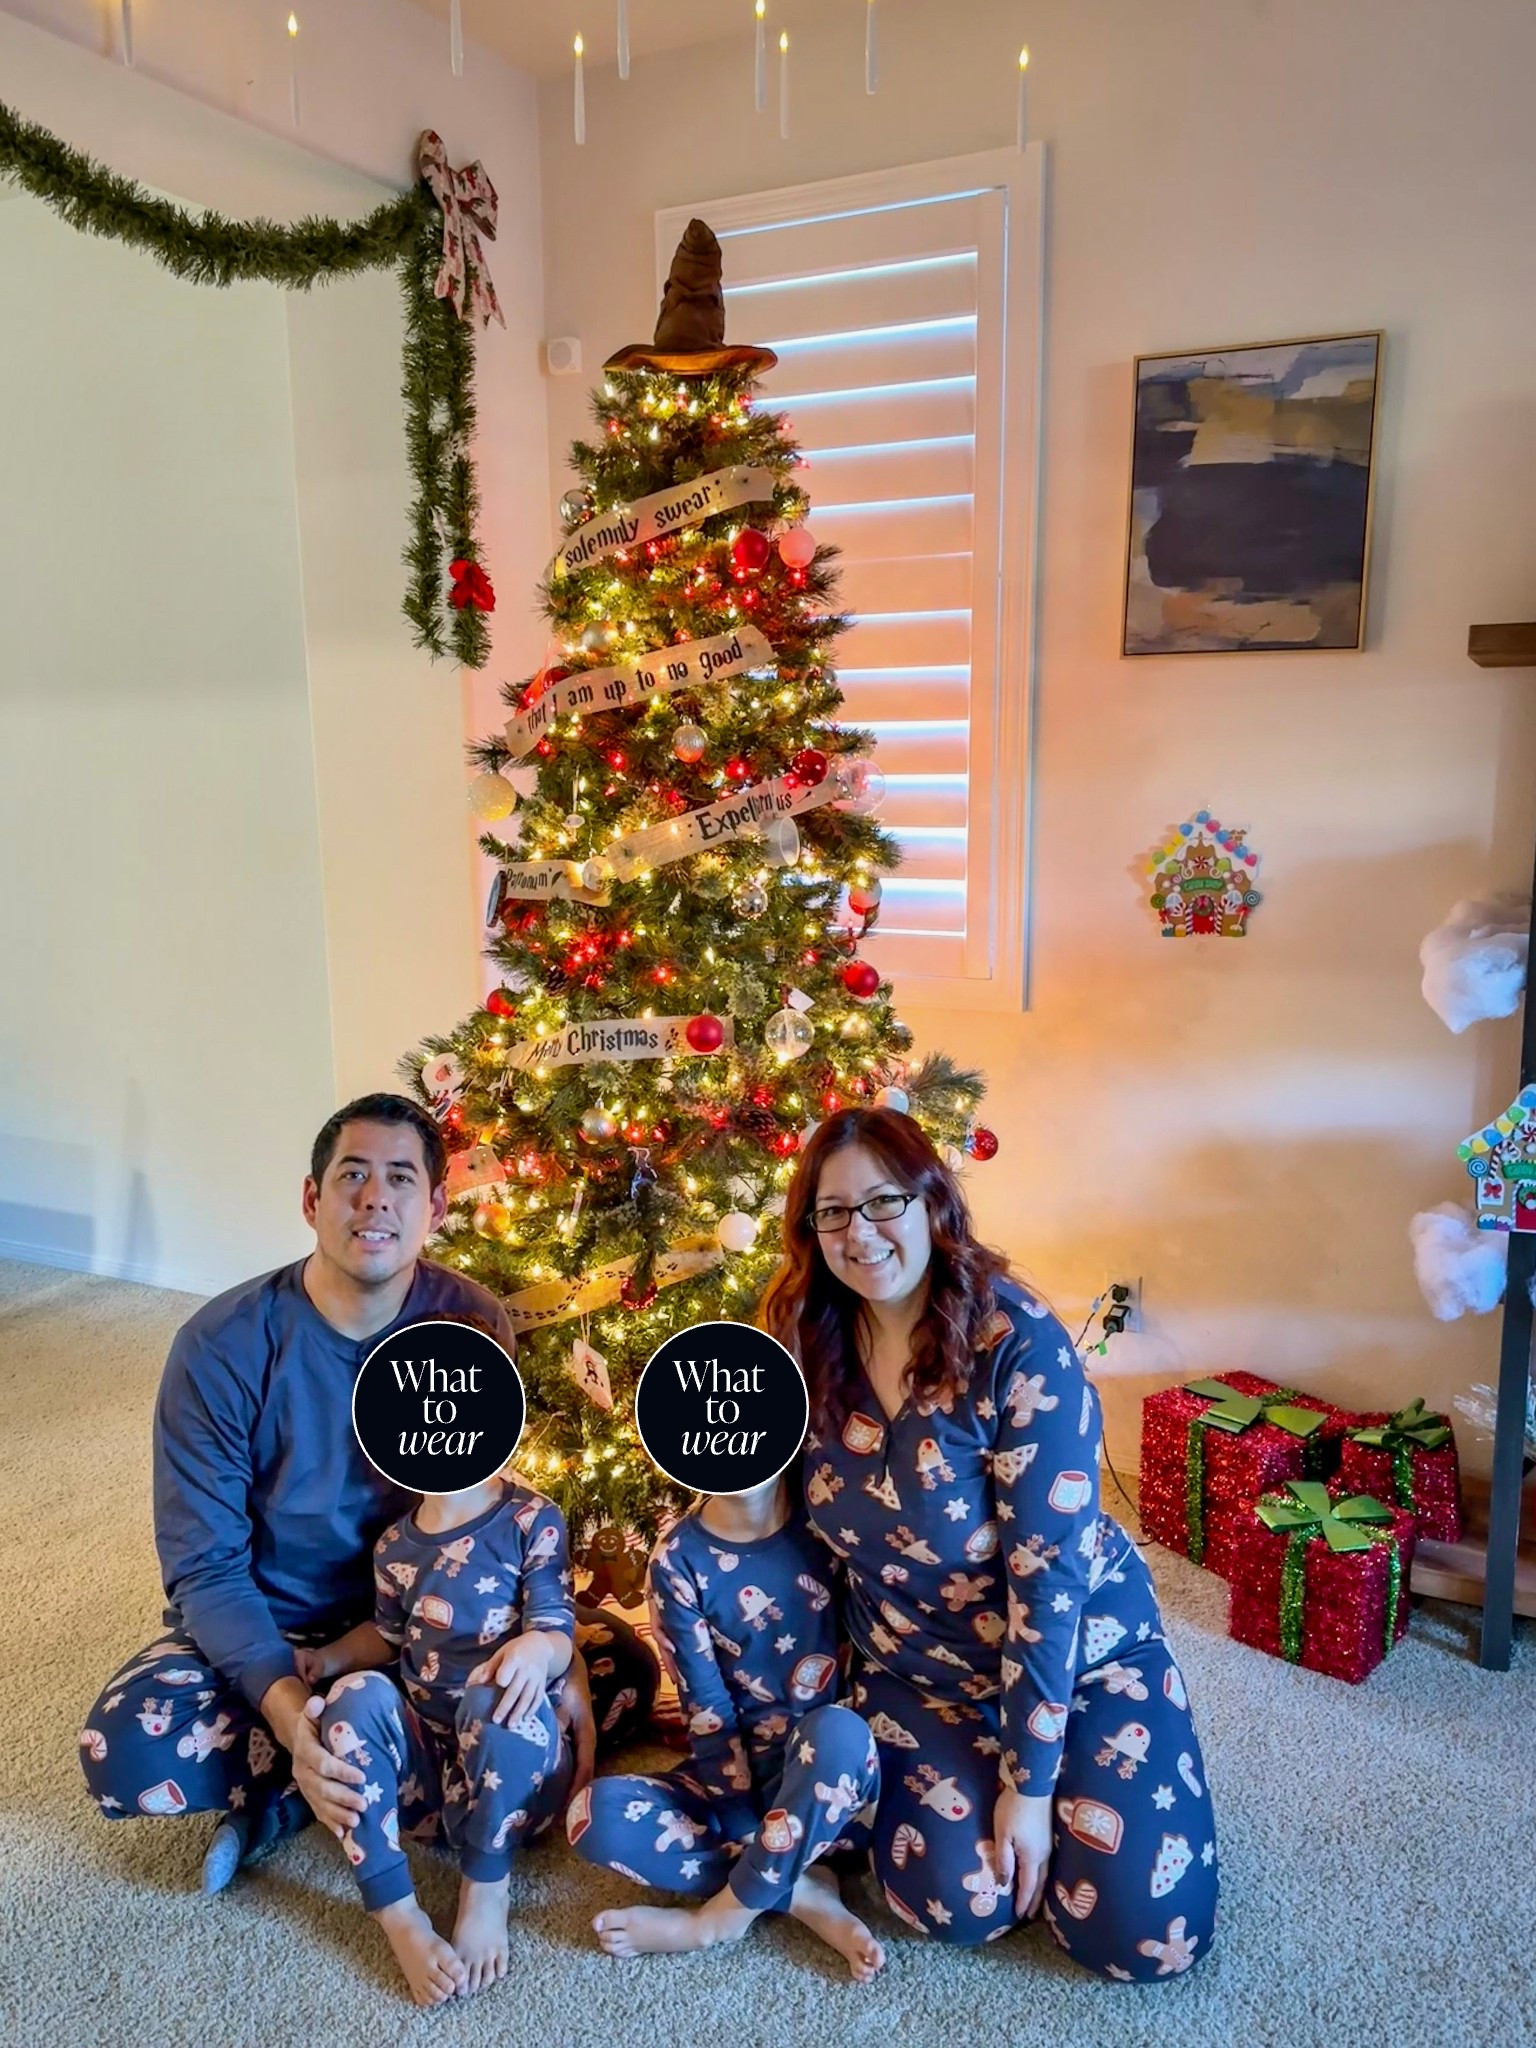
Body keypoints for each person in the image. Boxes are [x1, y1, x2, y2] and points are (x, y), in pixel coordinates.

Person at [78, 1093, 657, 1891]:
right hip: (288, 1636)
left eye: (399, 1179)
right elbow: (204, 1567)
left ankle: (331, 1783)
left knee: (621, 1665)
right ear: (313, 1201)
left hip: (436, 1625)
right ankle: (326, 1778)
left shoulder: (471, 1319)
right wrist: (284, 1703)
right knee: (126, 1749)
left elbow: (487, 1501)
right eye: (352, 1176)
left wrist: (556, 1655)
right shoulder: (220, 1346)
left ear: (435, 1207)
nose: (375, 1198)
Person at [760, 1108, 1219, 1981]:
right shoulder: (800, 1343)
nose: (860, 1234)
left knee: (1145, 1937)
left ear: (933, 1201)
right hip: (916, 1670)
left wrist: (1032, 1788)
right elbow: (777, 1535)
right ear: (810, 1229)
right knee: (960, 1903)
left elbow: (1048, 1586)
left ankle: (1126, 1742)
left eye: (883, 1201)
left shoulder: (1020, 1344)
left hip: (1075, 1652)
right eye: (832, 1212)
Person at [566, 1470, 884, 1981]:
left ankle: (724, 1916)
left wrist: (708, 1922)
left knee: (839, 1735)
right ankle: (796, 1888)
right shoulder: (676, 1561)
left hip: (834, 1790)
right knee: (593, 1816)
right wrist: (743, 1822)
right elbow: (707, 1711)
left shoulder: (827, 1524)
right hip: (735, 1785)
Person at [303, 1469, 578, 2006]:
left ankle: (486, 1885)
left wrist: (539, 1650)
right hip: (426, 1781)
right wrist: (329, 1658)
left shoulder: (531, 1517)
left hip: (518, 1782)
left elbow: (557, 1627)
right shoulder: (394, 1544)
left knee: (495, 1695)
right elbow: (386, 1636)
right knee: (352, 1697)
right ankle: (396, 1911)